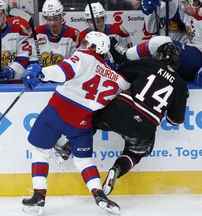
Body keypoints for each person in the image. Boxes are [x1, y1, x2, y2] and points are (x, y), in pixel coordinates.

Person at [54, 42, 189, 197]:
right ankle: (116, 169)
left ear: (158, 55)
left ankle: (68, 148)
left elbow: (120, 76)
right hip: (144, 126)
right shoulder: (181, 85)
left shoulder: (149, 63)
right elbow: (175, 121)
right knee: (135, 152)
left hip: (120, 110)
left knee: (92, 118)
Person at [21, 31, 131, 216]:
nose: (84, 46)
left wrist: (41, 73)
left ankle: (39, 194)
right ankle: (99, 194)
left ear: (95, 48)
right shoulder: (119, 80)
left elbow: (64, 71)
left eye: (88, 43)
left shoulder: (84, 56)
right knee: (84, 161)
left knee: (40, 151)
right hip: (83, 121)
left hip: (57, 111)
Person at [78, 2, 132, 70]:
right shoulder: (82, 36)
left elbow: (129, 56)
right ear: (87, 22)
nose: (96, 25)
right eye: (92, 22)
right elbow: (81, 63)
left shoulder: (118, 31)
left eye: (99, 21)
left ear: (104, 18)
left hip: (119, 72)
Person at [29, 0, 80, 67]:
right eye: (49, 19)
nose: (52, 23)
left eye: (55, 19)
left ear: (61, 16)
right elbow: (32, 59)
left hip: (64, 75)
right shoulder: (37, 33)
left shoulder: (73, 34)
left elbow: (75, 64)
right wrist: (34, 67)